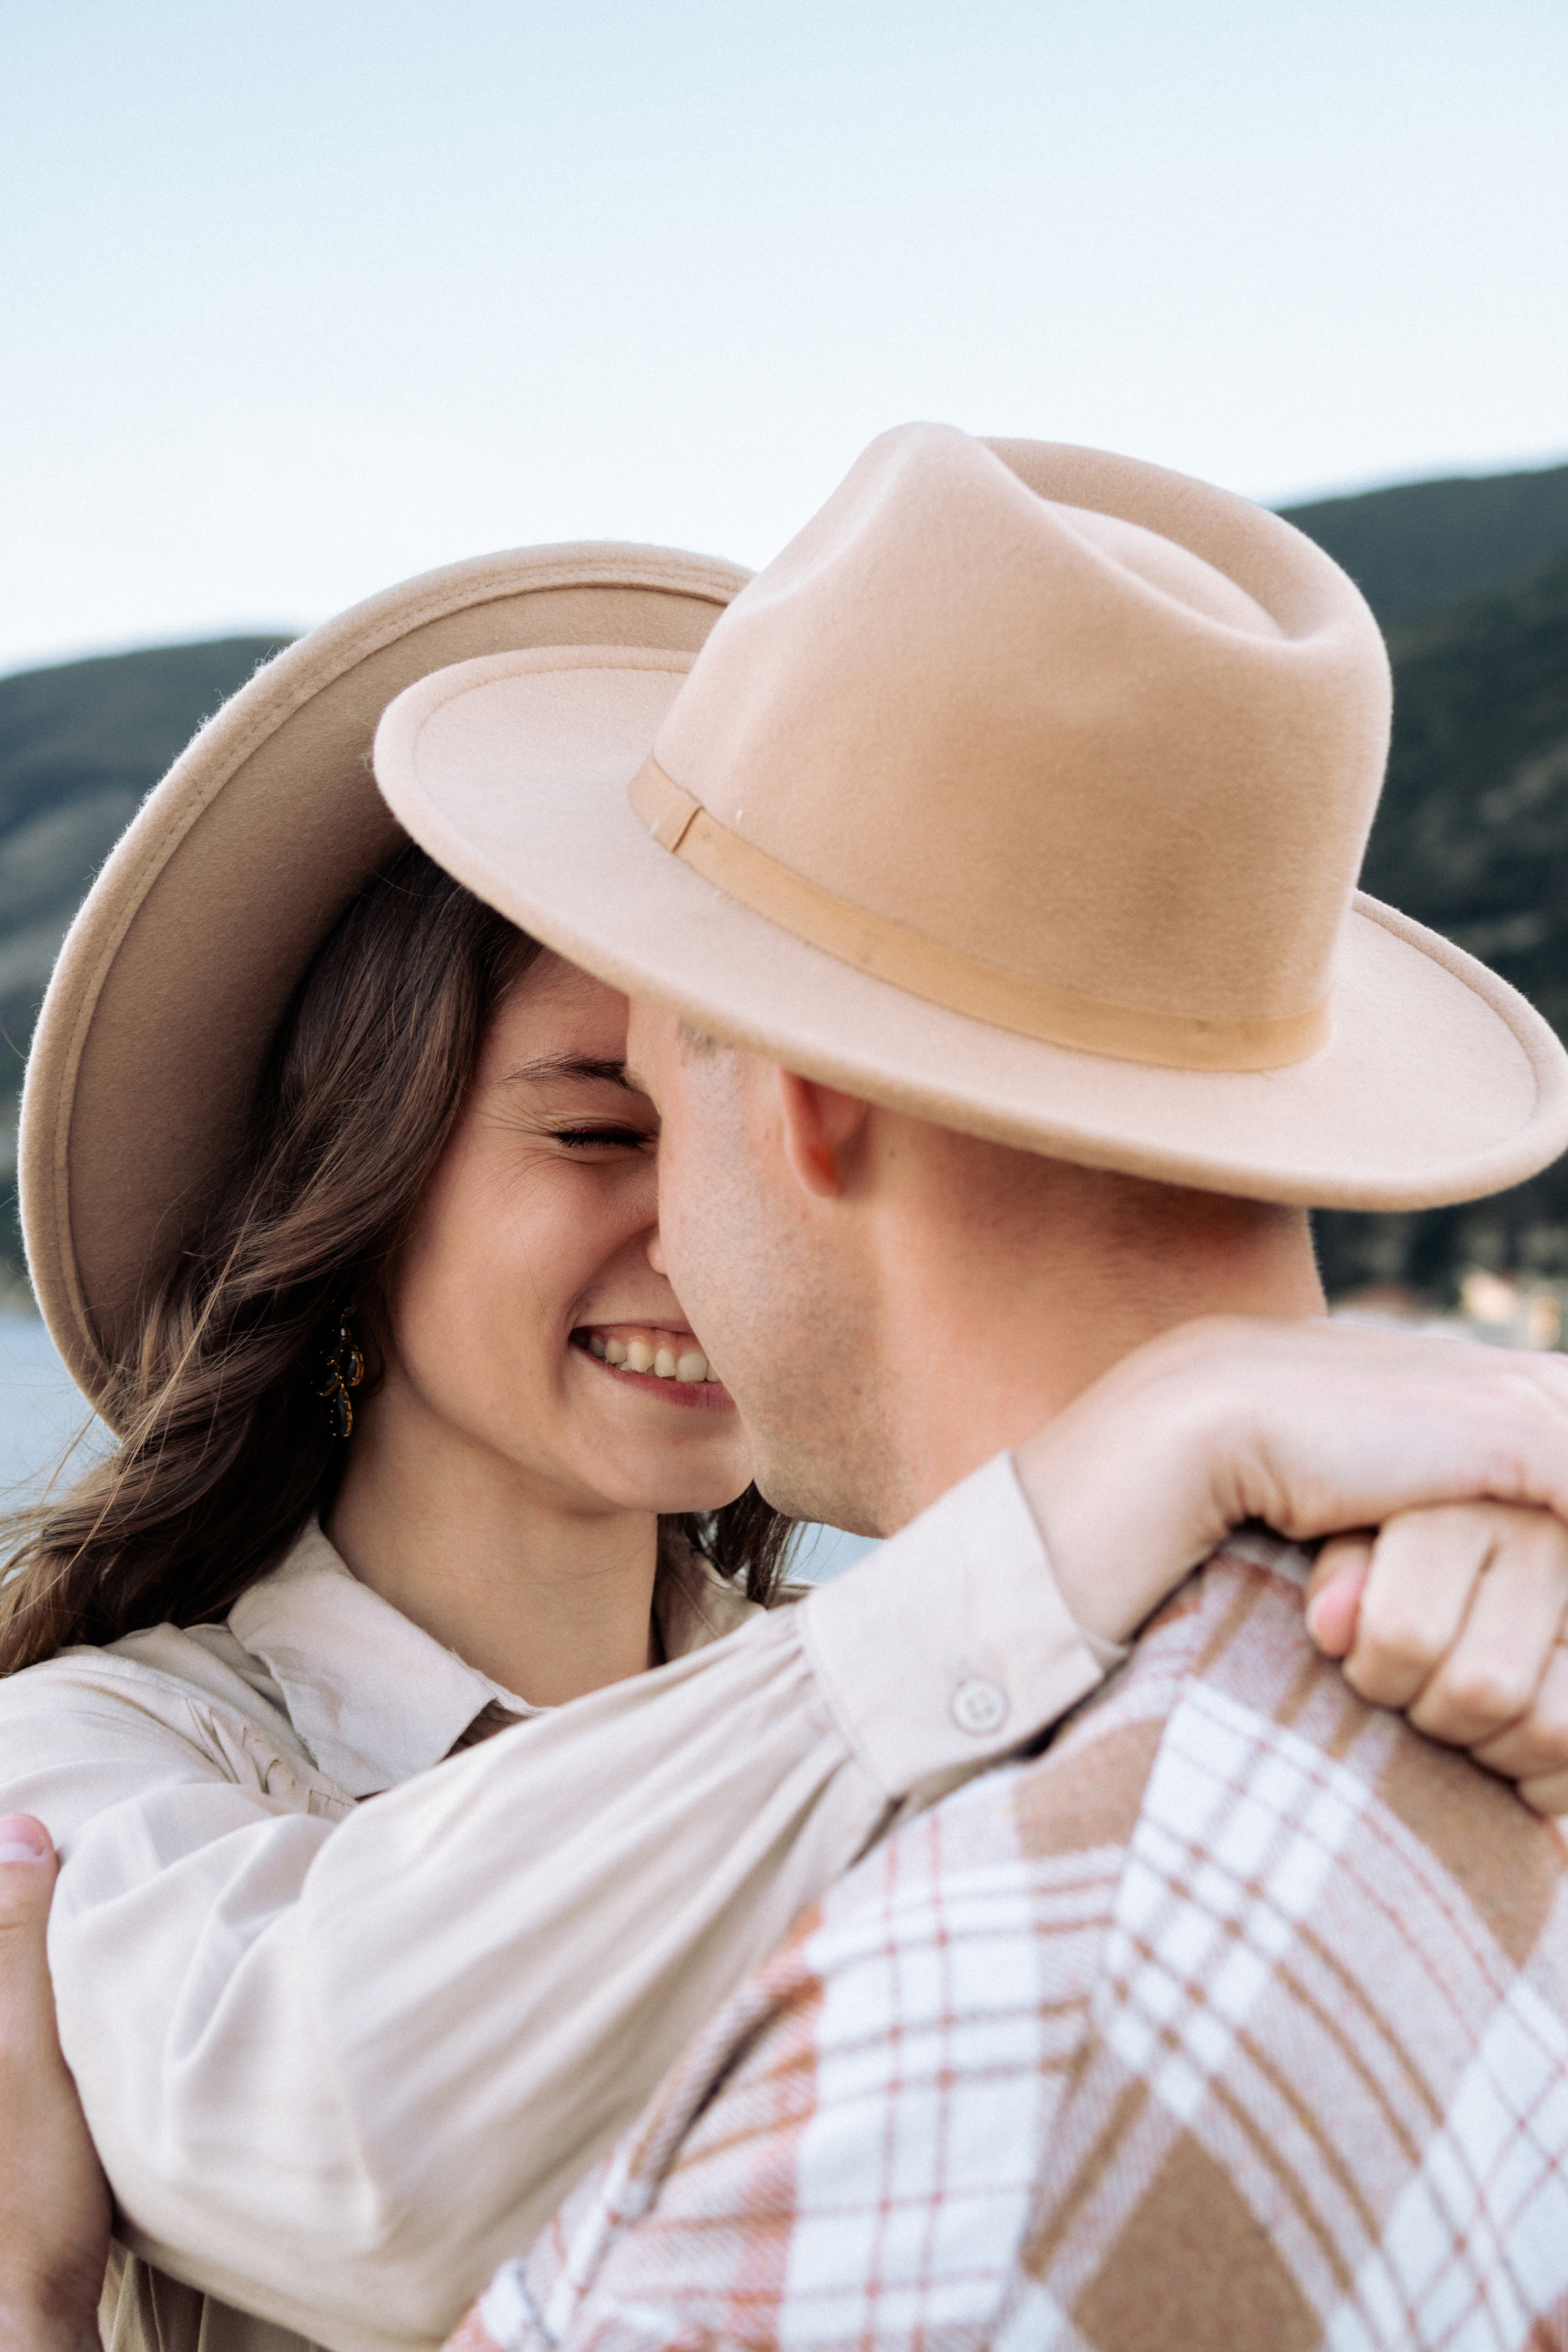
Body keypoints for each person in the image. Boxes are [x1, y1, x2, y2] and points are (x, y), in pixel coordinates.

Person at [2, 466, 1567, 2352]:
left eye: (697, 1114)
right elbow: (308, 2106)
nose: (690, 1223)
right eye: (602, 1131)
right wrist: (1121, 1468)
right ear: (355, 1189)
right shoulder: (94, 1761)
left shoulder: (973, 1697)